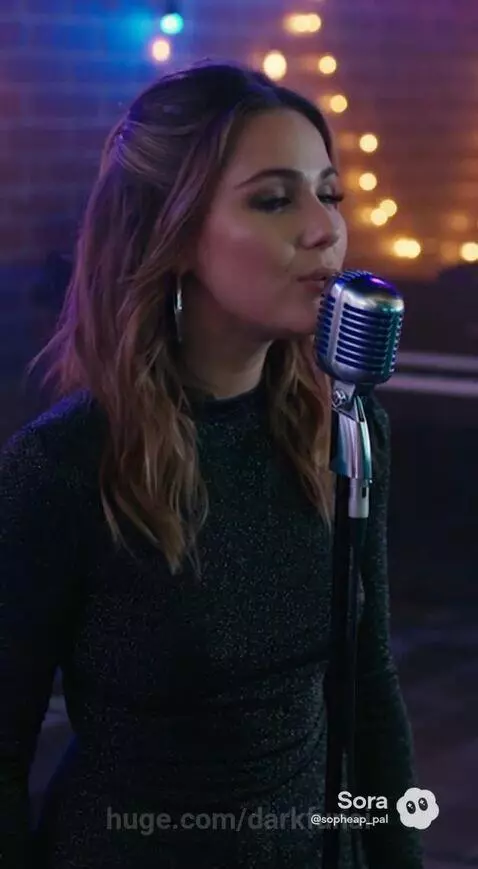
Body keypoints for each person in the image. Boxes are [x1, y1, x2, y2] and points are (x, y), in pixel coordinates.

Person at [0, 60, 424, 868]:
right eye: (274, 199)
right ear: (172, 231)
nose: (324, 228)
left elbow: (367, 686)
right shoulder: (61, 468)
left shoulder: (344, 426)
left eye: (328, 193)